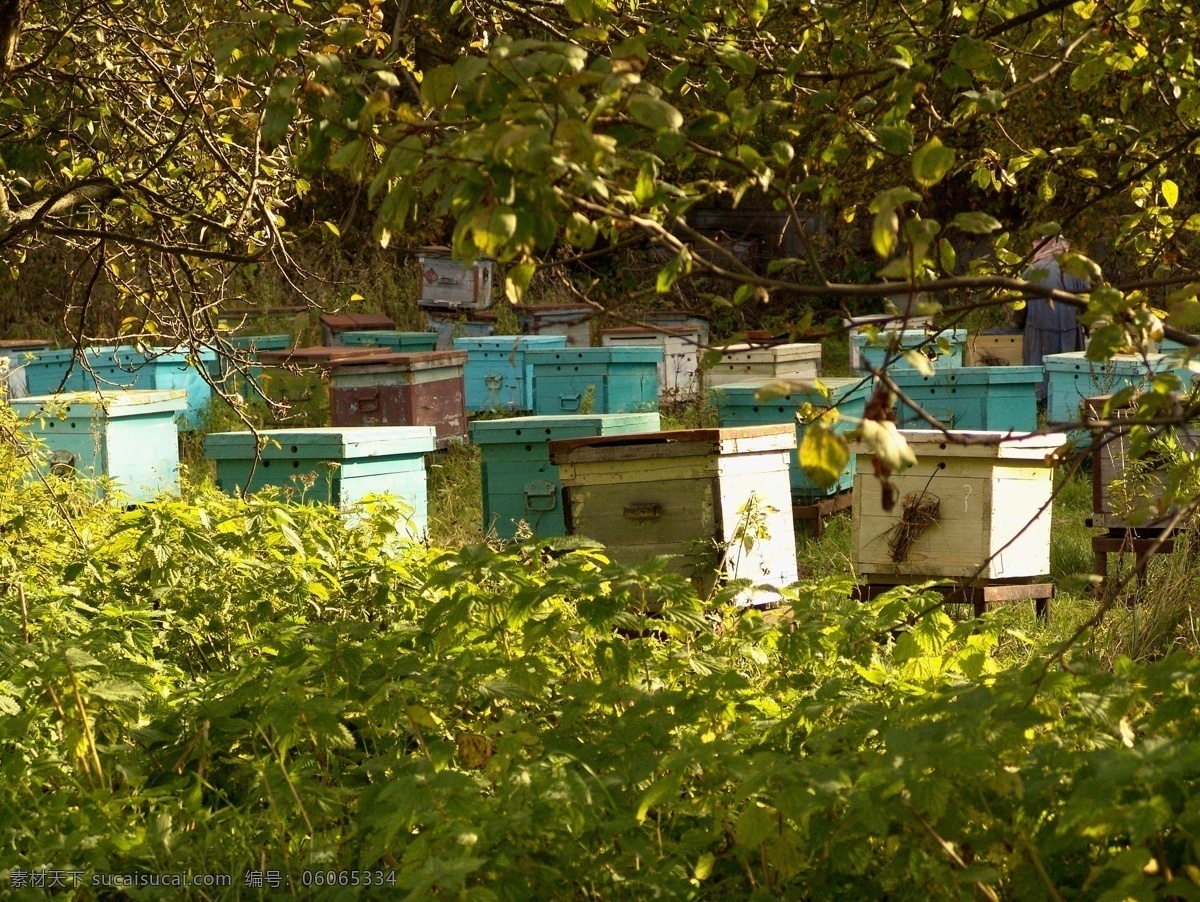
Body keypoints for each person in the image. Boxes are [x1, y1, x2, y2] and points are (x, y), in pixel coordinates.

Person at [1021, 235, 1090, 398]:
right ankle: (1068, 402)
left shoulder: (1030, 271)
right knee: (1069, 375)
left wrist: (1018, 324)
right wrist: (1086, 326)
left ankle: (1039, 401)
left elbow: (1019, 306)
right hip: (1070, 331)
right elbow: (1087, 304)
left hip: (1038, 331)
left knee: (1039, 370)